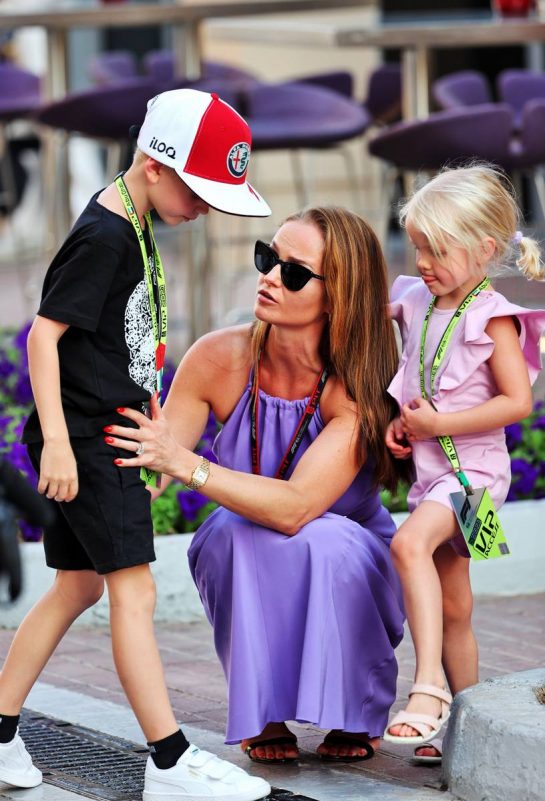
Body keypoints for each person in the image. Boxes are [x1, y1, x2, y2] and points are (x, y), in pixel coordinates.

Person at [0, 88, 272, 801]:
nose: (207, 206)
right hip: (90, 439)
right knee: (134, 590)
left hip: (111, 428)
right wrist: (57, 441)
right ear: (156, 166)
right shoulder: (107, 235)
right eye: (199, 188)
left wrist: (151, 414)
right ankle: (170, 759)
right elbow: (43, 337)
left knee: (78, 585)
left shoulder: (132, 217)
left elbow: (117, 339)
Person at [103, 206, 406, 765]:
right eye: (268, 257)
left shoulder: (355, 389)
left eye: (293, 272)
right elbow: (152, 466)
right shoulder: (218, 358)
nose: (268, 276)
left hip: (349, 557)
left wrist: (186, 465)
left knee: (323, 538)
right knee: (227, 533)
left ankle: (356, 708)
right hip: (254, 543)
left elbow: (296, 509)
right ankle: (263, 711)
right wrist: (100, 513)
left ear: (339, 294)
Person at [383, 164, 545, 763]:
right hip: (433, 472)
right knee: (457, 605)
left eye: (437, 249)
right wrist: (405, 423)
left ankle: (428, 691)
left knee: (407, 547)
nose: (423, 260)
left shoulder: (492, 315)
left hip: (475, 476)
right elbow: (420, 374)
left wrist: (437, 425)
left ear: (484, 249)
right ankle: (466, 731)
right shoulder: (416, 298)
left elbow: (517, 402)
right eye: (417, 245)